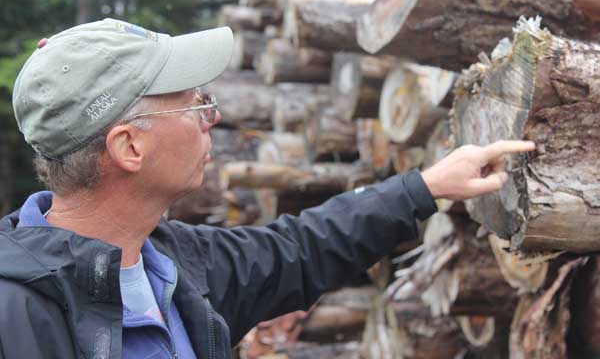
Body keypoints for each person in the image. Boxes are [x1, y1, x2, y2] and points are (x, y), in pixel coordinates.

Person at [0, 18, 535, 359]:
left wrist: (427, 186)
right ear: (128, 148)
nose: (213, 119)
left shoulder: (173, 262)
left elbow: (302, 247)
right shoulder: (16, 315)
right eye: (194, 104)